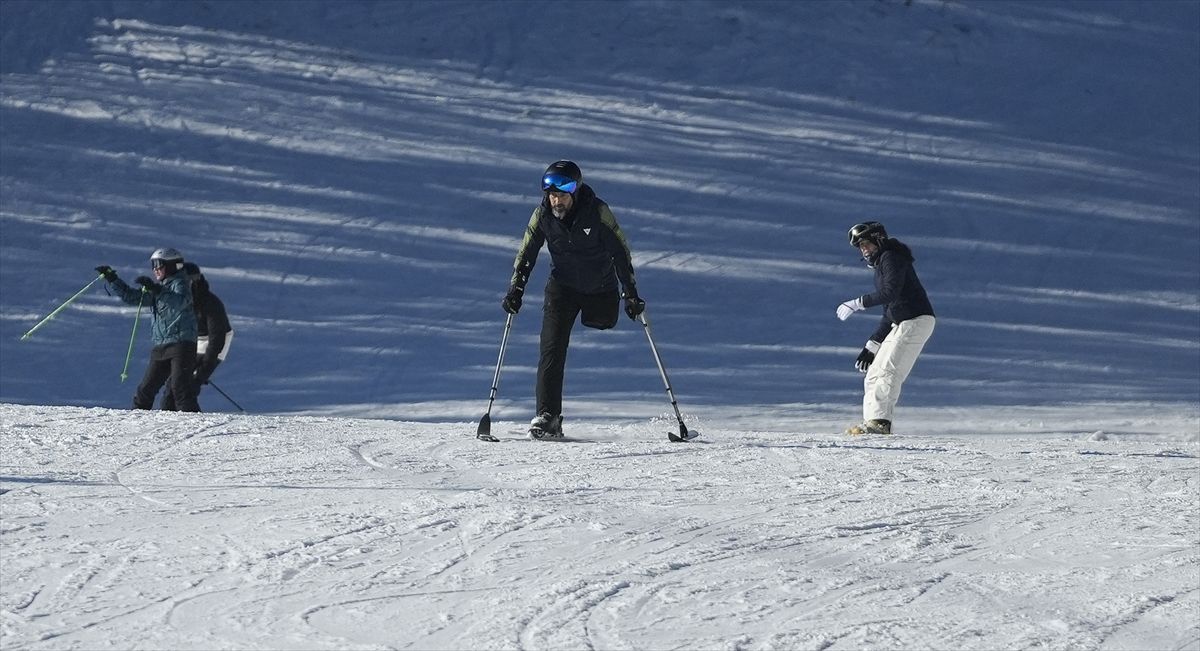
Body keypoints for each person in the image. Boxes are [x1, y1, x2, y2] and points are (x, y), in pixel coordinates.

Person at [501, 160, 644, 439]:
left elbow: (620, 252)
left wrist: (630, 292)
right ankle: (548, 416)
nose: (557, 201)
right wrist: (516, 289)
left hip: (600, 287)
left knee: (602, 321)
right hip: (562, 287)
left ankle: (549, 416)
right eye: (552, 195)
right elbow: (527, 252)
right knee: (551, 348)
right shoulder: (542, 215)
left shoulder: (597, 212)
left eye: (562, 194)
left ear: (575, 192)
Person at [835, 221, 936, 435]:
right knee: (873, 374)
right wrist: (871, 346)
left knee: (889, 371)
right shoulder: (883, 264)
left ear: (879, 239)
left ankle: (880, 423)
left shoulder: (892, 257)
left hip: (916, 320)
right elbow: (889, 311)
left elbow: (889, 293)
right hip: (902, 322)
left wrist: (856, 303)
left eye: (866, 243)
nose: (864, 249)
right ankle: (872, 422)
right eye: (860, 246)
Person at [95, 248, 200, 411]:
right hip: (161, 346)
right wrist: (113, 279)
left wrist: (157, 290)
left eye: (159, 264)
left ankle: (195, 427)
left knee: (180, 390)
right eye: (153, 265)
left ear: (172, 266)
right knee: (145, 391)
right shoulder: (160, 288)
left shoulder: (181, 283)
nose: (155, 269)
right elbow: (133, 297)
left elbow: (180, 302)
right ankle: (136, 424)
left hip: (181, 345)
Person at [161, 262, 232, 411]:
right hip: (191, 340)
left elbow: (216, 341)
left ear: (194, 281)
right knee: (171, 387)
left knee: (187, 387)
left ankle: (192, 423)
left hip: (214, 342)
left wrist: (203, 372)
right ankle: (167, 423)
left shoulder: (211, 303)